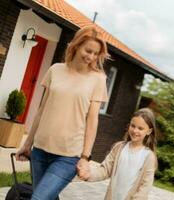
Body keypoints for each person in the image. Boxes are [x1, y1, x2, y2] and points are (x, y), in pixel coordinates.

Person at [16, 25, 109, 200]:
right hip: (40, 151)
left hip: (68, 156)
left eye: (96, 54)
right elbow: (42, 109)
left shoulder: (98, 79)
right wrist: (27, 144)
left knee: (38, 198)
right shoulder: (55, 70)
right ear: (76, 45)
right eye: (88, 50)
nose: (91, 57)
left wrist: (85, 157)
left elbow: (92, 120)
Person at [77, 108, 157, 200]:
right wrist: (89, 175)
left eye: (140, 128)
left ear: (149, 131)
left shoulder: (149, 157)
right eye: (133, 126)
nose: (135, 131)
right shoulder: (119, 148)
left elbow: (145, 187)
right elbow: (105, 170)